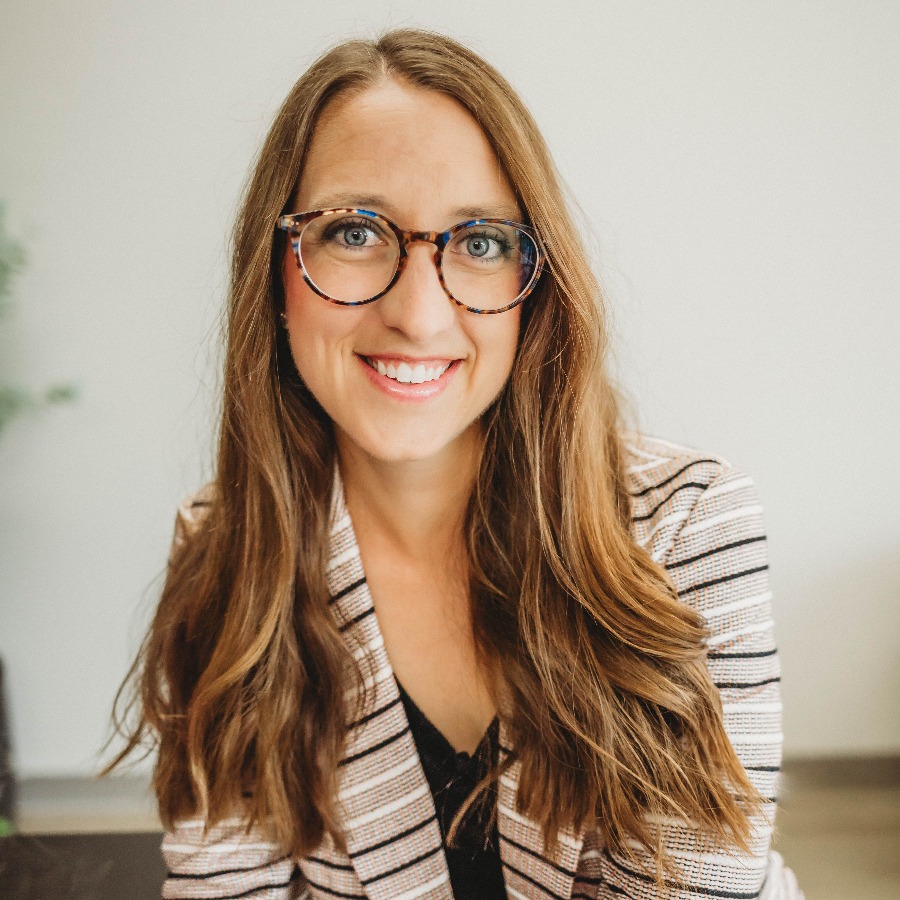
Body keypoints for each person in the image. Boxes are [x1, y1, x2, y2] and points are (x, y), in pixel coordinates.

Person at [109, 29, 803, 900]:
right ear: (276, 272)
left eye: (479, 243)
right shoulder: (224, 545)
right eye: (355, 230)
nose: (419, 315)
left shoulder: (690, 523)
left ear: (534, 283)